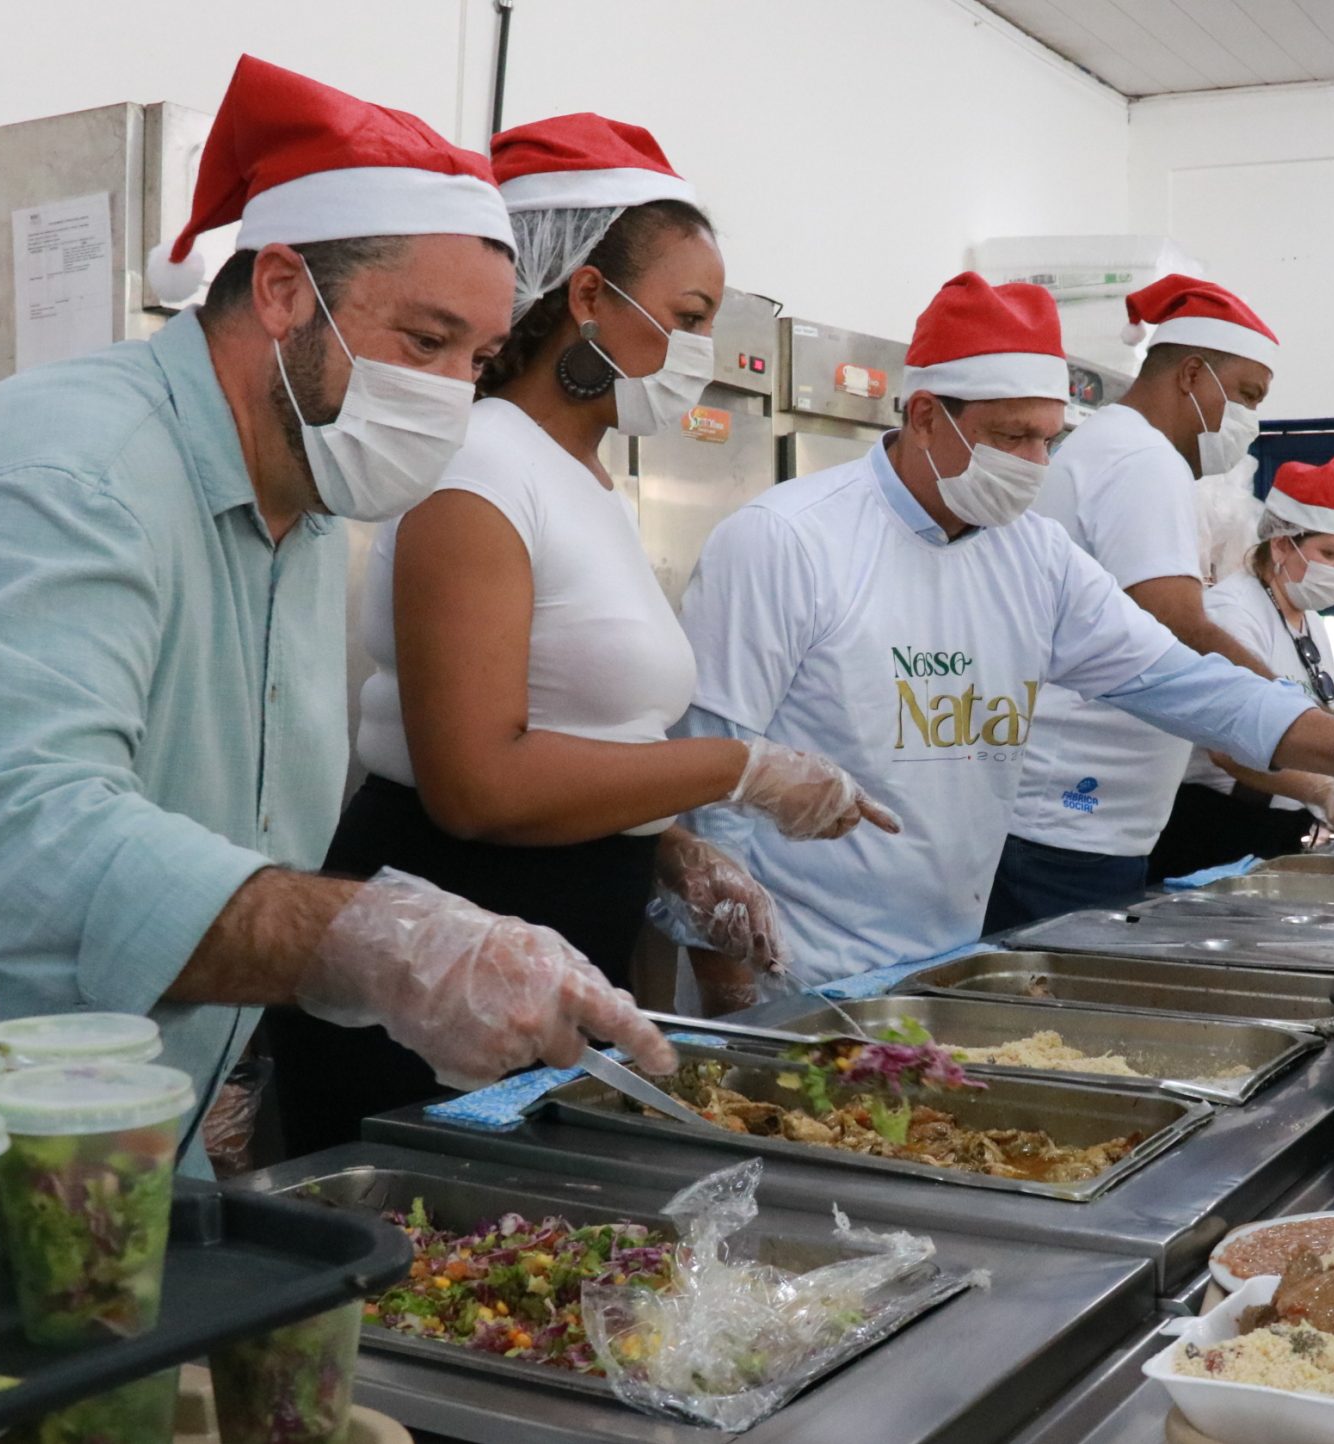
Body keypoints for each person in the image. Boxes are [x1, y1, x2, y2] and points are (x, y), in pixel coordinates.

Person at [0, 58, 677, 1164]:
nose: (446, 395)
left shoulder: (306, 504)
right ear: (283, 289)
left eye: (476, 360)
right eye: (422, 342)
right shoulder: (73, 469)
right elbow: (33, 842)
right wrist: (379, 947)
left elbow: (225, 834)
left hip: (109, 1125)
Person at [266, 115, 889, 1155]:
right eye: (686, 317)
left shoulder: (587, 480)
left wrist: (665, 848)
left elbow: (572, 723)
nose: (698, 352)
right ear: (590, 299)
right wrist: (735, 767)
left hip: (553, 933)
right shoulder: (478, 468)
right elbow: (475, 782)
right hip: (446, 959)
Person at [671, 273, 1334, 985]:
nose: (1036, 463)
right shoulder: (786, 540)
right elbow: (709, 774)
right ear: (923, 415)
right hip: (802, 967)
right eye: (1012, 437)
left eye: (1049, 437)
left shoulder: (1033, 554)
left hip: (948, 957)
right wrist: (732, 992)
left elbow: (1184, 681)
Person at [992, 277, 1334, 926]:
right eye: (1246, 395)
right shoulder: (1140, 459)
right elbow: (1177, 623)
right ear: (1191, 374)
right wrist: (1313, 734)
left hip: (1089, 819)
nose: (1250, 419)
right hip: (1065, 820)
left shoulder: (1122, 449)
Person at [1147, 456, 1334, 881]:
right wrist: (1325, 792)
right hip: (1216, 827)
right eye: (1330, 553)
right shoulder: (1231, 613)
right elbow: (1228, 748)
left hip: (1280, 828)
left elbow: (1318, 716)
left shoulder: (1308, 617)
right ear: (1281, 544)